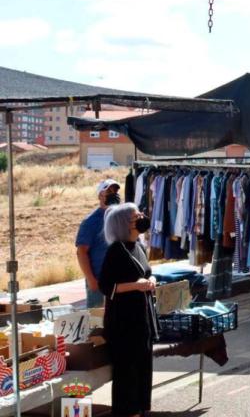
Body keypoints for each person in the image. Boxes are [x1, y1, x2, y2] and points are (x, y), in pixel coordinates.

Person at [99, 203, 158, 417]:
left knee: (143, 369)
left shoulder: (139, 246)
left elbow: (148, 272)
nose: (142, 217)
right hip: (123, 323)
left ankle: (141, 410)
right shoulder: (116, 250)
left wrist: (151, 280)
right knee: (127, 373)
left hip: (142, 320)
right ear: (125, 224)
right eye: (136, 216)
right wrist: (136, 285)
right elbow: (105, 286)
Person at [76, 178, 120, 308]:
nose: (113, 193)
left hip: (120, 280)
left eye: (115, 190)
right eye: (109, 191)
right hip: (99, 280)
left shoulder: (122, 217)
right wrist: (91, 280)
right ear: (100, 195)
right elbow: (81, 252)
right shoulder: (91, 222)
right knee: (97, 321)